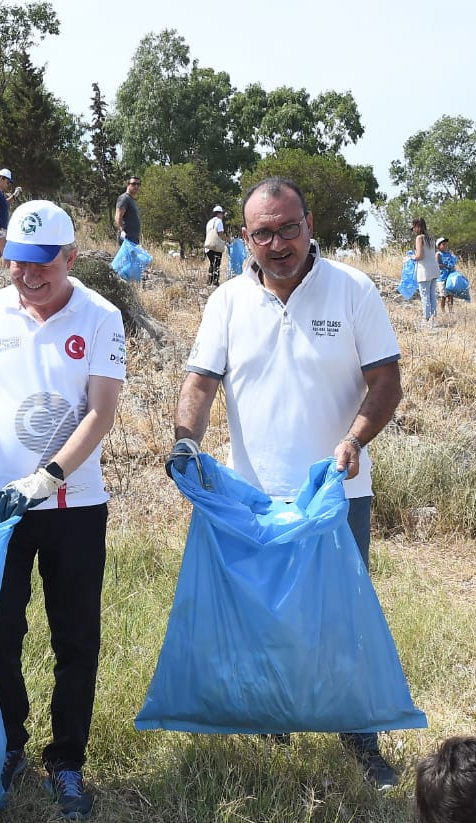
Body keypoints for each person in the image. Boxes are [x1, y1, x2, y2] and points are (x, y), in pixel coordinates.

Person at [166, 177, 409, 789]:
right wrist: (186, 441)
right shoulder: (225, 302)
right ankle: (272, 727)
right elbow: (199, 383)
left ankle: (359, 737)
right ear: (244, 239)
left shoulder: (353, 290)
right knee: (264, 618)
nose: (278, 243)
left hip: (336, 494)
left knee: (340, 619)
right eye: (263, 233)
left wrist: (353, 440)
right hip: (251, 499)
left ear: (309, 224)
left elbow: (385, 383)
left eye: (288, 228)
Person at [0, 200, 126, 820]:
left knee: (75, 638)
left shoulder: (102, 316)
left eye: (43, 265)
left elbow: (101, 412)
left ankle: (67, 763)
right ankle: (10, 744)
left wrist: (48, 476)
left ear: (70, 256)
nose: (29, 276)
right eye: (16, 263)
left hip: (73, 504)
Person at [412, 217, 440, 323]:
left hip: (424, 270)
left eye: (414, 227)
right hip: (434, 269)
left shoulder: (419, 238)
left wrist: (411, 257)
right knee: (432, 294)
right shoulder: (431, 238)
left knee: (425, 295)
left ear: (417, 227)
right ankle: (433, 317)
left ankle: (426, 318)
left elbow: (419, 256)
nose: (414, 230)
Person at [203, 205, 227, 286]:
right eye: (222, 213)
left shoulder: (209, 222)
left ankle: (209, 280)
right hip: (215, 246)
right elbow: (220, 234)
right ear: (219, 213)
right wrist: (228, 239)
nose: (223, 215)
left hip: (208, 246)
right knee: (216, 264)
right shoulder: (219, 221)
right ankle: (215, 281)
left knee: (212, 263)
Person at [436, 237, 460, 313]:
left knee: (450, 295)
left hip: (450, 277)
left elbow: (453, 261)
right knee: (443, 296)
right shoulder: (438, 254)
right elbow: (437, 265)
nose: (445, 246)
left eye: (446, 244)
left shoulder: (449, 254)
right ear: (439, 246)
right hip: (442, 278)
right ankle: (443, 311)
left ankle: (450, 310)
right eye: (443, 244)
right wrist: (445, 265)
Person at [115, 176, 141, 246]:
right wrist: (122, 231)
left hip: (133, 238)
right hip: (127, 238)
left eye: (138, 184)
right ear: (128, 185)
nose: (136, 186)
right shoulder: (124, 198)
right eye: (133, 184)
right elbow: (118, 217)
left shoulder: (131, 199)